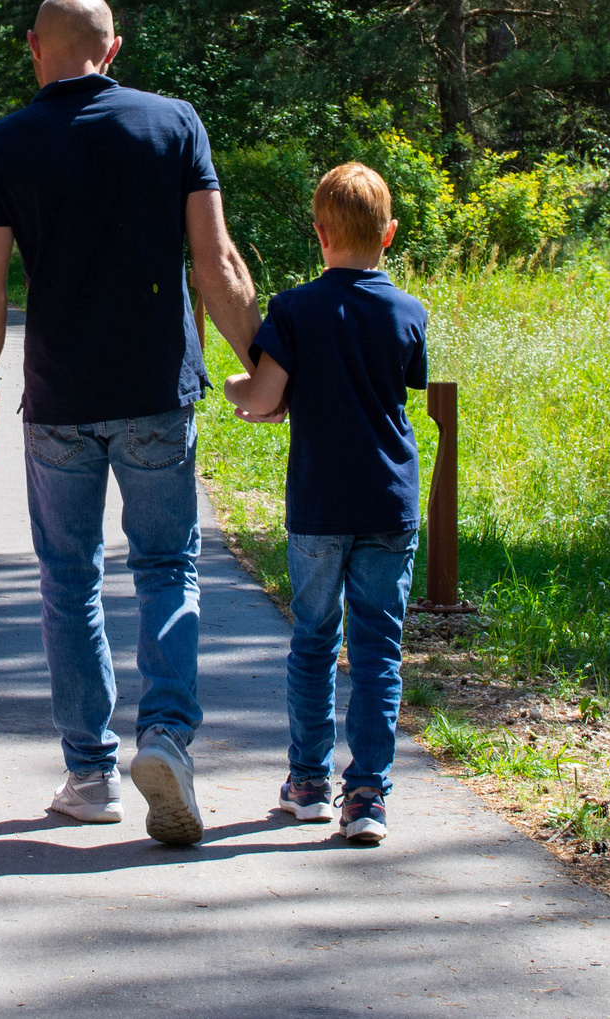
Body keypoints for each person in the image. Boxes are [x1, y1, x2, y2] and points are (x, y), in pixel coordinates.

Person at [0, 0, 261, 846]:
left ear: (33, 48)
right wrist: (269, 363)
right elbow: (217, 261)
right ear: (113, 48)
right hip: (158, 389)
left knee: (69, 577)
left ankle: (90, 773)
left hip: (59, 401)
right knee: (167, 566)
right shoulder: (174, 125)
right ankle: (164, 737)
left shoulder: (2, 144)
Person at [221, 162, 428, 848]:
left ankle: (307, 783)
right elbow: (403, 385)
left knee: (314, 641)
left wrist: (232, 385)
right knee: (378, 651)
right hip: (388, 503)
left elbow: (261, 397)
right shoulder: (407, 312)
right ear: (389, 234)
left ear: (319, 233)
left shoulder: (295, 310)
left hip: (317, 505)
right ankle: (366, 794)